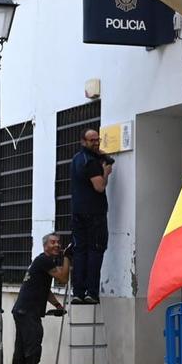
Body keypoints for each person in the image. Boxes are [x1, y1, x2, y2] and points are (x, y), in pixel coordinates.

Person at [10, 233, 71, 364]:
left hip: (22, 311)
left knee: (20, 354)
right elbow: (63, 278)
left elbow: (45, 289)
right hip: (28, 313)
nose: (57, 245)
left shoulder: (42, 262)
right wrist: (67, 258)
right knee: (32, 352)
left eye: (58, 243)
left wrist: (57, 305)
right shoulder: (45, 260)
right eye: (53, 242)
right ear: (45, 245)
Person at [69, 129, 112, 304]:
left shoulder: (77, 159)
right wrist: (106, 173)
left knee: (80, 252)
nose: (96, 143)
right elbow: (100, 187)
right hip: (94, 213)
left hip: (77, 211)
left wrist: (102, 156)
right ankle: (91, 293)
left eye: (97, 139)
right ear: (83, 141)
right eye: (92, 140)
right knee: (95, 251)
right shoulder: (92, 162)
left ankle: (78, 292)